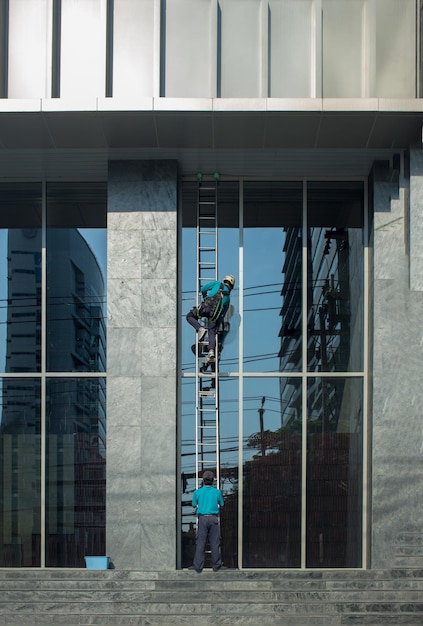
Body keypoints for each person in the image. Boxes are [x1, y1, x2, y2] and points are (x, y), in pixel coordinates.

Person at [186, 275, 235, 363]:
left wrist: (205, 298)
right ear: (231, 286)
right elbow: (222, 314)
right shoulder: (227, 299)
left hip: (206, 307)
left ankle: (200, 329)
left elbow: (203, 289)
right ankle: (211, 351)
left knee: (189, 316)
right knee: (212, 332)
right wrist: (217, 323)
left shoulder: (217, 284)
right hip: (214, 315)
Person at [190, 470, 224, 573]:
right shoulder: (217, 492)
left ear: (203, 480)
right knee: (215, 542)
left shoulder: (197, 492)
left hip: (202, 518)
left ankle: (198, 566)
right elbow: (222, 504)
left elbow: (193, 504)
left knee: (200, 542)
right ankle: (216, 565)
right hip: (213, 518)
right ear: (213, 480)